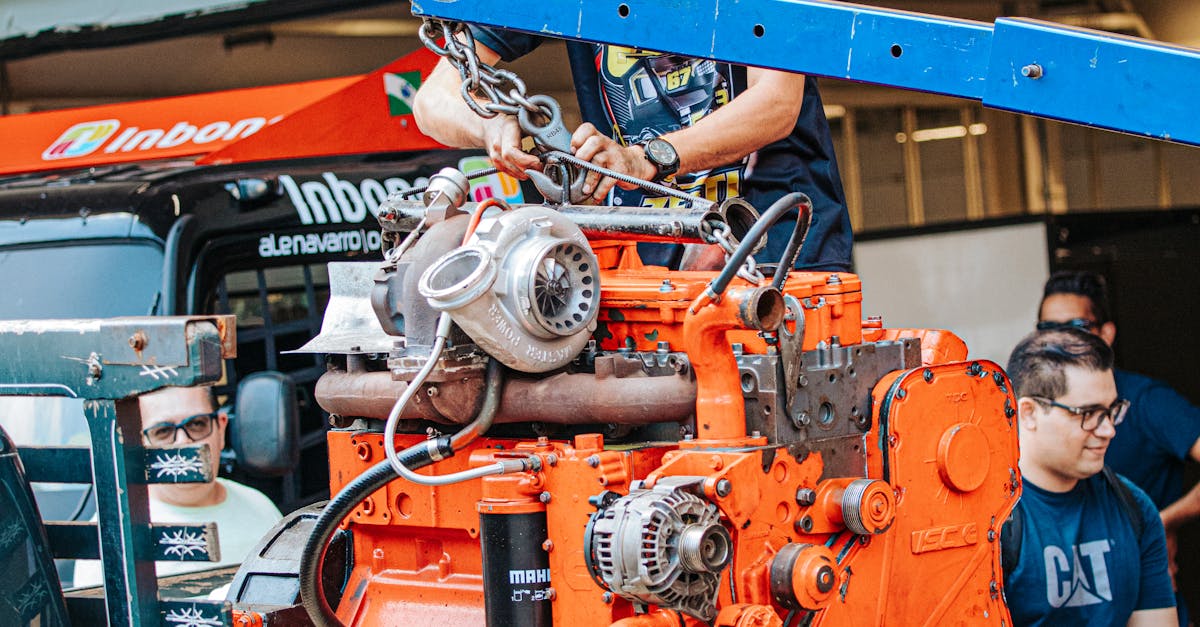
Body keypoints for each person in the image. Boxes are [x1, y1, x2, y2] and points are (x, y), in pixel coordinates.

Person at [412, 27, 852, 272]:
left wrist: (644, 158)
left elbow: (776, 103)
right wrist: (488, 124)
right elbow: (433, 100)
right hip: (645, 270)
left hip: (782, 257)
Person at [1039, 270, 1200, 618]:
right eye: (1049, 329)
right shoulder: (1032, 410)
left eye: (1077, 326)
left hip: (1140, 596)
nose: (1062, 341)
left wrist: (1162, 522)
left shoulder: (1147, 401)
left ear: (1106, 334)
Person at [1003, 327, 1175, 625]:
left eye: (1111, 411)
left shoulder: (1134, 507)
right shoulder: (990, 521)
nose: (1108, 430)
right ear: (1028, 413)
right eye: (1088, 413)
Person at [72, 386, 282, 587]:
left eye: (197, 424)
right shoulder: (111, 538)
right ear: (136, 444)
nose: (183, 441)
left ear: (221, 428)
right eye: (163, 431)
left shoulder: (261, 508)